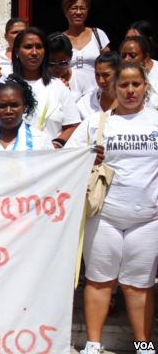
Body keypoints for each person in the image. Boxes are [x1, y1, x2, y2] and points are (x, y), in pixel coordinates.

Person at [66, 62, 158, 354]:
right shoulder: (96, 123)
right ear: (113, 87)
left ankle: (142, 344)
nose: (130, 91)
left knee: (139, 286)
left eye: (136, 84)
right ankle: (93, 344)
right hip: (104, 216)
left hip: (148, 219)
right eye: (124, 85)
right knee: (99, 281)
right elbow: (68, 159)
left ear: (146, 86)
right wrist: (88, 158)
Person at [0, 27, 81, 148]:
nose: (34, 52)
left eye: (39, 47)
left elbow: (72, 125)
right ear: (17, 51)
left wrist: (55, 145)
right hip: (9, 161)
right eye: (28, 47)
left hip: (48, 160)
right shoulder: (1, 86)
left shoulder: (58, 87)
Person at [0, 76, 54, 151]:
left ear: (25, 107)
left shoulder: (40, 140)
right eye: (2, 106)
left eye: (14, 105)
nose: (8, 111)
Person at [61, 0, 109, 79]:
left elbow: (110, 65)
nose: (78, 12)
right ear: (66, 11)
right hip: (68, 90)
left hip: (96, 90)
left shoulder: (98, 35)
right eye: (74, 8)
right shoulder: (59, 40)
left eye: (82, 8)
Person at [47, 32, 96, 102]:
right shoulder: (39, 82)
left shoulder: (84, 79)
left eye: (62, 63)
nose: (57, 68)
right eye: (51, 64)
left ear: (70, 57)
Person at [77, 52, 119, 120]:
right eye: (97, 75)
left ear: (118, 74)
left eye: (106, 75)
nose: (101, 81)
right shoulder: (84, 103)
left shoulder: (132, 102)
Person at [119, 36, 158, 108]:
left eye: (132, 55)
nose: (126, 59)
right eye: (123, 56)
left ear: (146, 57)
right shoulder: (118, 77)